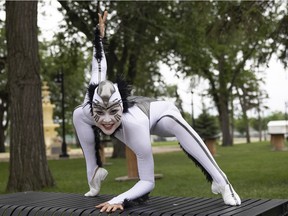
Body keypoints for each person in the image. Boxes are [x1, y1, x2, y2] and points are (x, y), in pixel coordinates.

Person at [73, 11, 241, 213]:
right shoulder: (88, 108)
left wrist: (120, 199)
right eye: (100, 112)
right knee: (77, 115)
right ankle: (94, 174)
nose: (107, 120)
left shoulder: (134, 125)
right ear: (93, 106)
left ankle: (221, 181)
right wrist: (99, 38)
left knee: (174, 122)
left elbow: (147, 181)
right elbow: (98, 67)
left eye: (113, 112)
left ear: (121, 107)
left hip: (159, 114)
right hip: (125, 107)